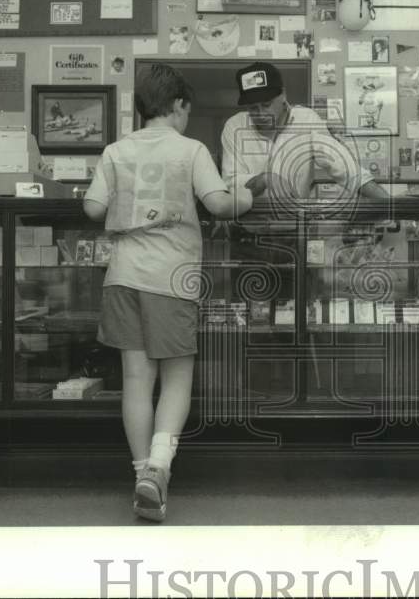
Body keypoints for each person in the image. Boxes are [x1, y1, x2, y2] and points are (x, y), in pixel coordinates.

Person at [83, 64, 253, 522]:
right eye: (186, 111)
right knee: (177, 374)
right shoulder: (191, 149)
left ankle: (141, 471)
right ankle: (159, 467)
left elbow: (94, 207)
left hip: (122, 276)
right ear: (178, 106)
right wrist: (246, 198)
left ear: (141, 107)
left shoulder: (115, 150)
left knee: (137, 379)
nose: (185, 119)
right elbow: (219, 204)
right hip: (172, 277)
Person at [220, 62, 389, 212]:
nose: (261, 114)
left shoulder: (307, 120)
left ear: (283, 95)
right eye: (253, 108)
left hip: (293, 230)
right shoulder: (235, 126)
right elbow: (231, 185)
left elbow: (344, 167)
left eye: (266, 105)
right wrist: (266, 179)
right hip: (246, 232)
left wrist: (389, 203)